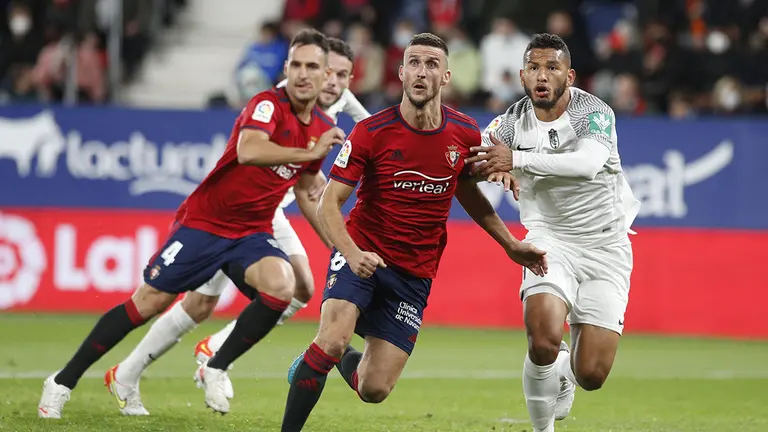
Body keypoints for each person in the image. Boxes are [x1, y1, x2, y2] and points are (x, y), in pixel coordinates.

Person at [38, 28, 344, 419]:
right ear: (285, 68)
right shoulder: (267, 104)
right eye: (296, 65)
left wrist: (337, 243)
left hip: (252, 231)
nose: (303, 73)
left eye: (312, 67)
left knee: (283, 287)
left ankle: (216, 365)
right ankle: (62, 381)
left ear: (324, 74)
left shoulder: (320, 128)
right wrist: (307, 151)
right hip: (206, 223)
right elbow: (249, 150)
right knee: (149, 303)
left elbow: (305, 189)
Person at [278, 32, 548, 431]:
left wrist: (510, 244)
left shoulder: (464, 133)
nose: (422, 72)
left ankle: (327, 359)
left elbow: (467, 191)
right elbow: (328, 204)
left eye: (432, 64)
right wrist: (351, 253)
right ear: (401, 73)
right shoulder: (372, 131)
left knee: (374, 389)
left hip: (413, 272)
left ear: (446, 77)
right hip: (362, 253)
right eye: (415, 63)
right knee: (332, 338)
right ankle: (317, 371)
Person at [466, 33, 641, 432]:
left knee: (591, 374)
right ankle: (542, 428)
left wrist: (516, 160)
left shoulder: (592, 112)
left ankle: (565, 369)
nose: (541, 75)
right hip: (549, 239)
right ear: (522, 76)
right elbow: (472, 160)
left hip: (606, 245)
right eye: (533, 68)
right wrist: (489, 168)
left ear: (569, 76)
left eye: (551, 67)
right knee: (542, 338)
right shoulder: (510, 123)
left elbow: (587, 164)